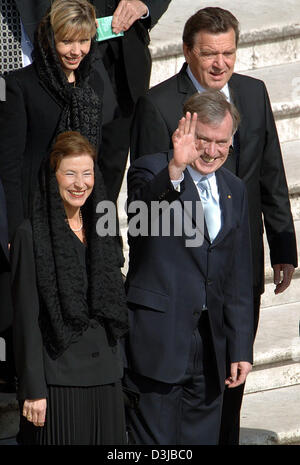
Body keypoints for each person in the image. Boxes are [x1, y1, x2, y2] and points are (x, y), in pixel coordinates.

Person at [129, 7, 298, 444]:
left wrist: (283, 246)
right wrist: (176, 170)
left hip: (237, 269)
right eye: (209, 54)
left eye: (228, 52)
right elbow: (146, 205)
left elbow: (271, 173)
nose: (220, 63)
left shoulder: (253, 93)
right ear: (188, 52)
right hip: (177, 284)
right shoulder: (159, 105)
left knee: (229, 378)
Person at [123, 90, 254, 445]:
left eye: (222, 142)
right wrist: (176, 170)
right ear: (184, 133)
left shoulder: (234, 188)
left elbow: (239, 275)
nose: (212, 152)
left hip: (211, 349)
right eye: (204, 140)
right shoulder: (152, 170)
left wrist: (241, 347)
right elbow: (140, 221)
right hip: (159, 341)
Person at [10, 131, 128, 445]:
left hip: (107, 378)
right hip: (59, 382)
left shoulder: (103, 226)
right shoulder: (29, 234)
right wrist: (33, 388)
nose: (80, 183)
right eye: (70, 174)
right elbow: (26, 318)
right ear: (54, 177)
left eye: (87, 173)